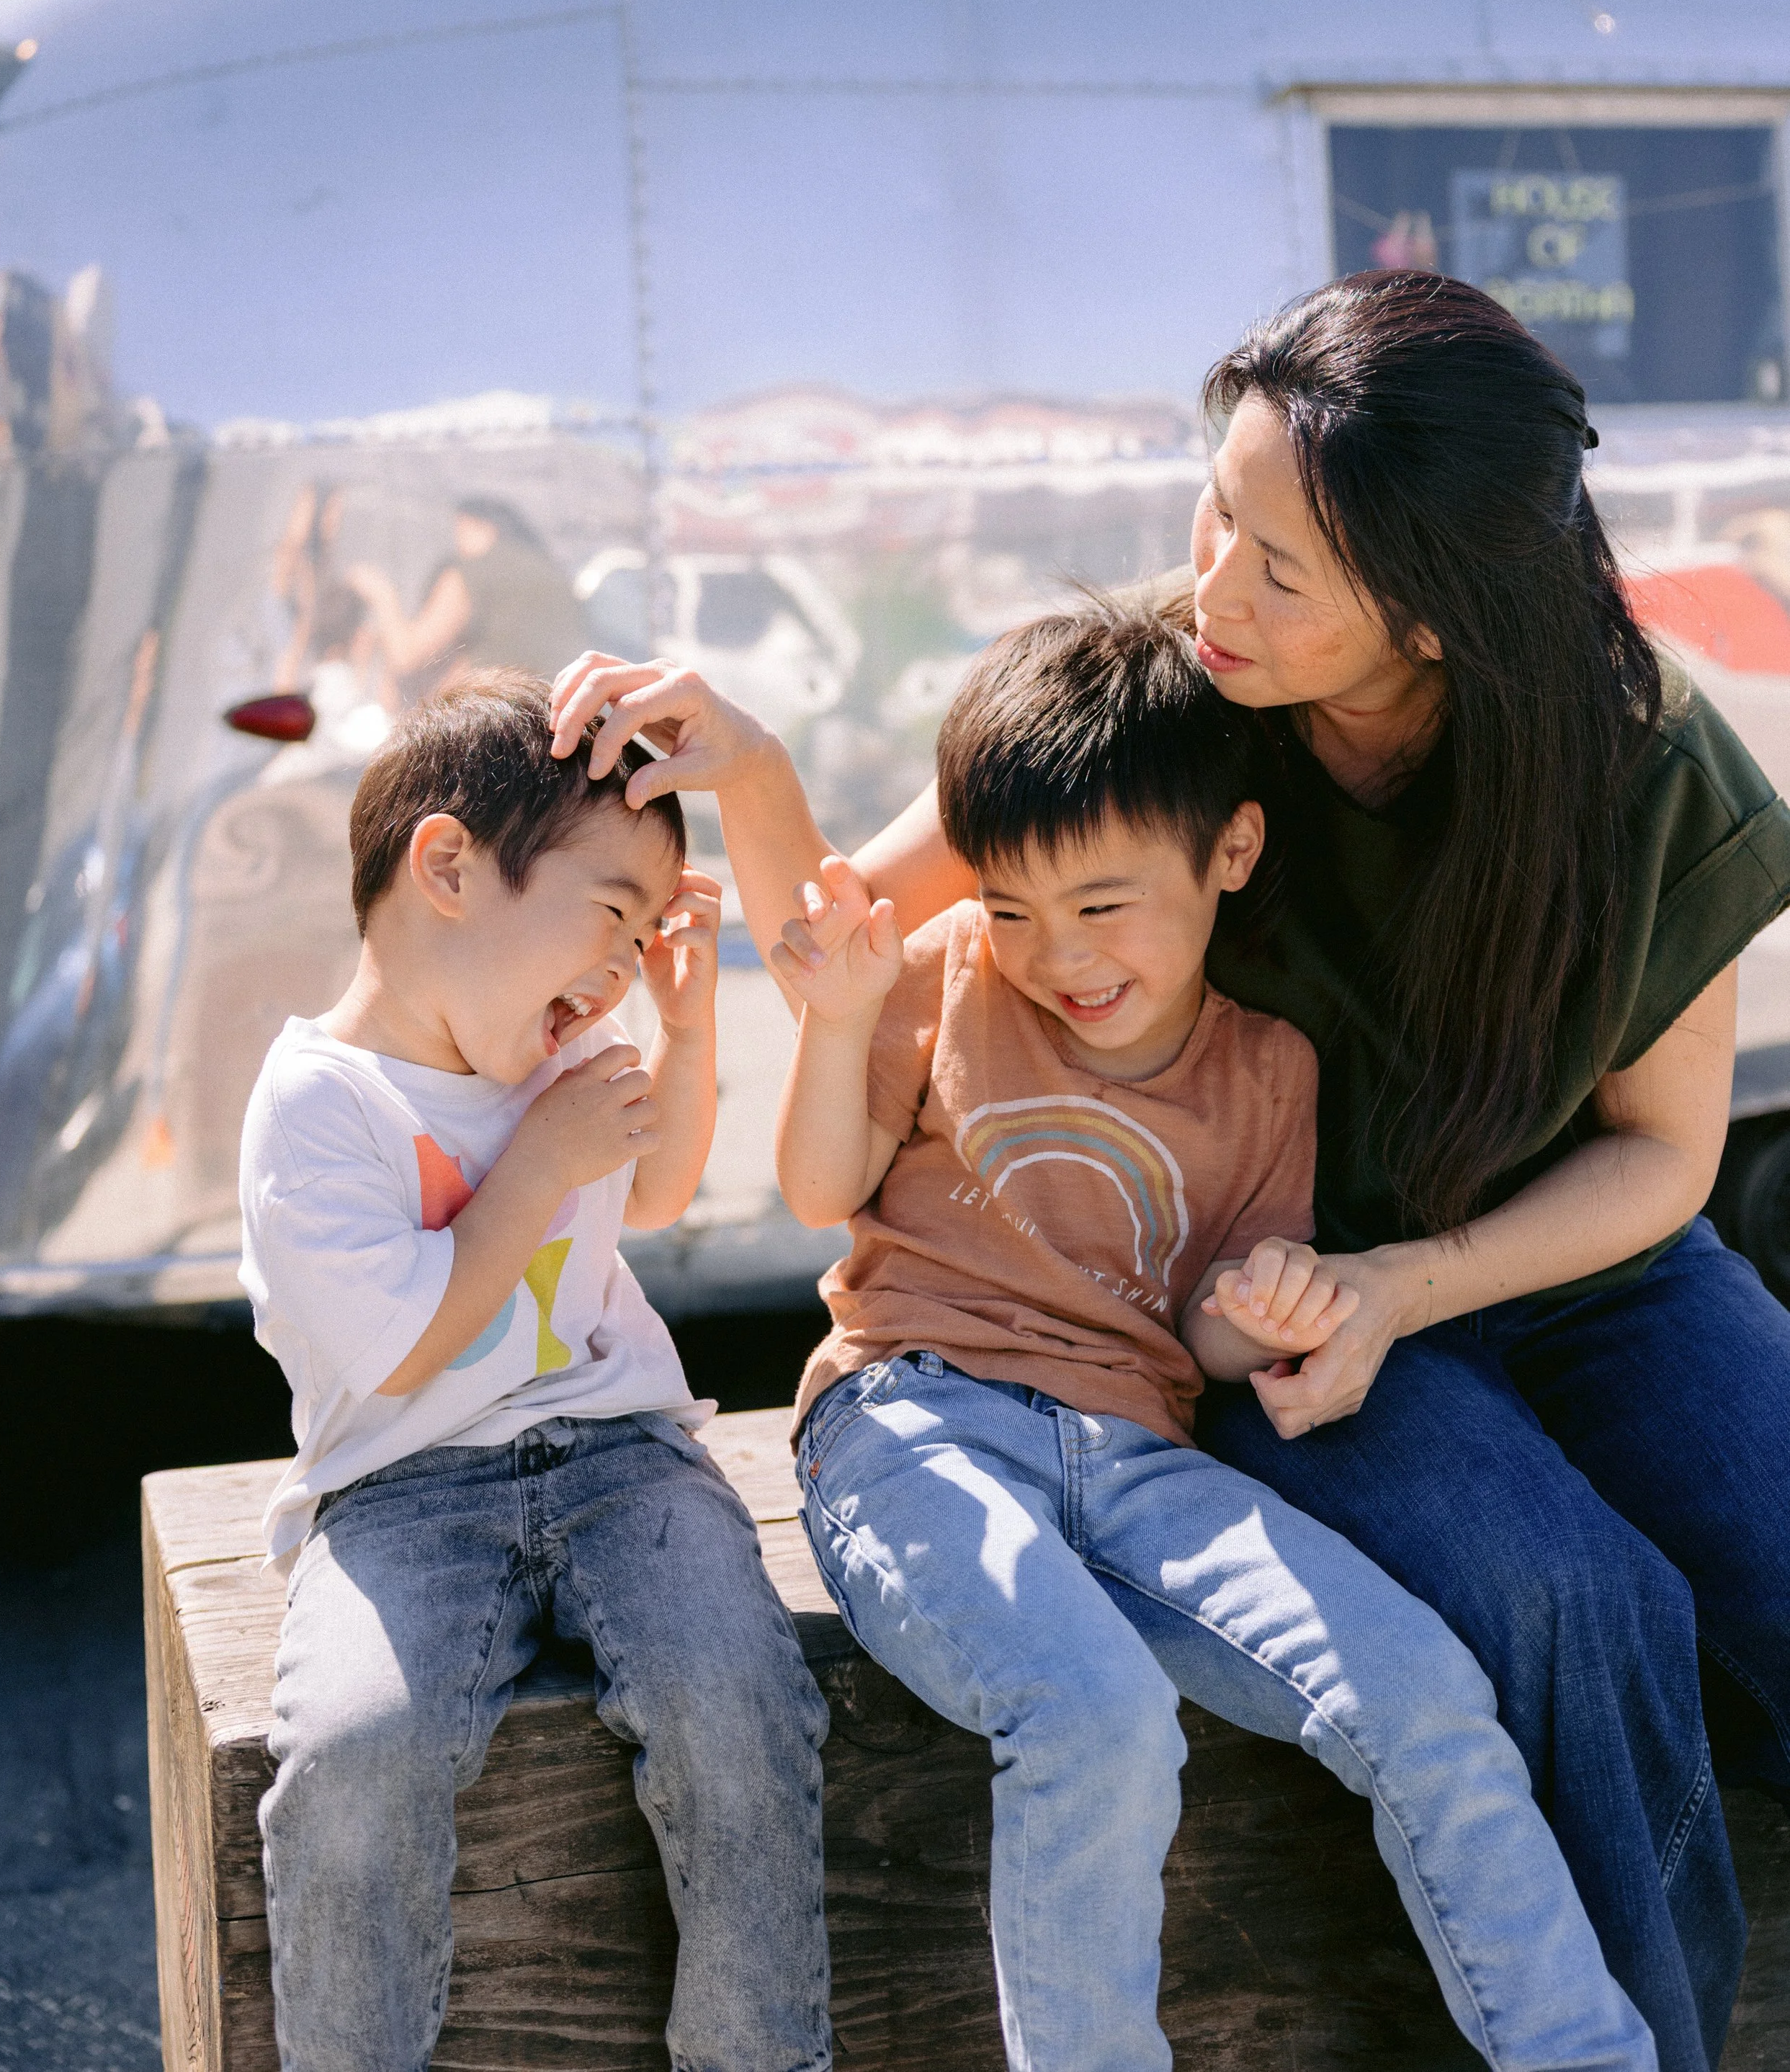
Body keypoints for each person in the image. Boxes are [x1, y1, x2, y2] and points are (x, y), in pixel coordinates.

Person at [547, 272, 1790, 2072]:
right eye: (1219, 508)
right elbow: (861, 925)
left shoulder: (1645, 758)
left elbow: (1667, 1155)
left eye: (1279, 566)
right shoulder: (1169, 687)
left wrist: (1414, 1280)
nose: (1213, 582)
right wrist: (745, 761)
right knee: (1574, 1601)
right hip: (1274, 1287)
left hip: (1566, 1257)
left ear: (1434, 621)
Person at [764, 600, 1657, 2072]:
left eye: (1100, 905)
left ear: (1228, 855)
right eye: (1010, 907)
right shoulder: (937, 976)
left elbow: (1197, 1327)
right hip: (911, 1421)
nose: (1056, 954)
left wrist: (1262, 1314)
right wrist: (834, 1019)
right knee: (1093, 1711)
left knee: (1422, 1693)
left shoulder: (1269, 1067)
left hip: (1132, 1454)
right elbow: (816, 1191)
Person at [239, 671, 831, 2072]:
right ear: (447, 867)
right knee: (352, 1754)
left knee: (738, 1697)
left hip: (624, 1452)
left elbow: (668, 1183)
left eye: (645, 934)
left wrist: (682, 1036)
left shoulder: (567, 1046)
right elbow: (400, 1348)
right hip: (402, 1489)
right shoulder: (319, 1100)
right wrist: (540, 1164)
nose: (623, 963)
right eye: (609, 911)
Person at [346, 496, 584, 699]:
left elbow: (407, 657)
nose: (456, 543)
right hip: (557, 714)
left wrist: (382, 595)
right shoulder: (551, 574)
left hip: (492, 723)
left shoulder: (475, 570)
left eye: (459, 530)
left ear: (483, 527)